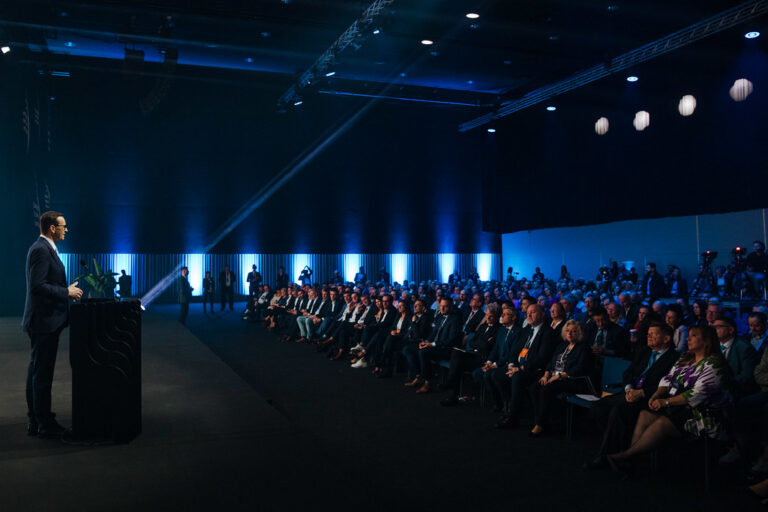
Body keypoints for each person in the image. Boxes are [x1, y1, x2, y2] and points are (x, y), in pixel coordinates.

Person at [606, 326, 732, 475]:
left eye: (693, 336)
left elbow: (697, 394)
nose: (688, 338)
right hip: (679, 409)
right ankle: (631, 461)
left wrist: (666, 402)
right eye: (689, 335)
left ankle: (625, 456)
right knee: (645, 414)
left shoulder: (715, 363)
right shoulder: (686, 357)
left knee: (663, 422)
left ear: (706, 341)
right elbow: (667, 379)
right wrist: (656, 395)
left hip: (704, 416)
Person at [585, 322, 679, 470]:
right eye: (648, 333)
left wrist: (641, 392)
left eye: (653, 334)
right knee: (598, 407)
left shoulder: (675, 358)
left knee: (619, 410)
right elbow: (628, 373)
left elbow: (668, 385)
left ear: (666, 338)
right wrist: (629, 388)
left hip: (650, 398)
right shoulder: (645, 351)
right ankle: (619, 447)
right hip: (630, 392)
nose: (648, 336)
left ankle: (605, 456)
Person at [22, 211, 83, 439]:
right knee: (42, 374)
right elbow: (37, 287)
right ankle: (44, 423)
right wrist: (66, 292)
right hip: (44, 322)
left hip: (43, 321)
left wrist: (65, 290)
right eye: (63, 226)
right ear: (52, 228)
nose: (66, 230)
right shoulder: (41, 249)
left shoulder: (43, 248)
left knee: (36, 372)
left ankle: (35, 419)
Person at [495, 304, 559, 429]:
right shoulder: (526, 330)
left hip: (535, 370)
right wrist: (512, 365)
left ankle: (513, 417)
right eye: (527, 312)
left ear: (542, 315)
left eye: (533, 312)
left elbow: (542, 358)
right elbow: (515, 351)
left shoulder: (548, 332)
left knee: (517, 377)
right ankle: (508, 408)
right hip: (518, 367)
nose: (528, 315)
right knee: (497, 375)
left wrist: (520, 368)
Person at [528, 319, 594, 437]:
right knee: (534, 387)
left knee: (546, 389)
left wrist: (558, 376)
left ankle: (540, 424)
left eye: (574, 331)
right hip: (554, 377)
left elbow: (580, 368)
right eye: (567, 331)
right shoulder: (561, 345)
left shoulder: (583, 348)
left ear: (579, 333)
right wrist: (546, 375)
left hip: (572, 380)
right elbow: (551, 362)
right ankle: (541, 419)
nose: (570, 334)